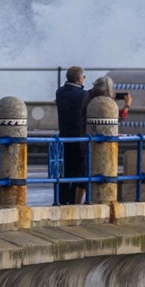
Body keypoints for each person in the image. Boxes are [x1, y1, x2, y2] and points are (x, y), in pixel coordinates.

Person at [54, 67, 89, 204]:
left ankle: (62, 199)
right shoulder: (82, 95)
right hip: (78, 138)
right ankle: (74, 200)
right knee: (79, 170)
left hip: (64, 136)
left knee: (66, 170)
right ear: (79, 78)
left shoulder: (60, 92)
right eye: (84, 77)